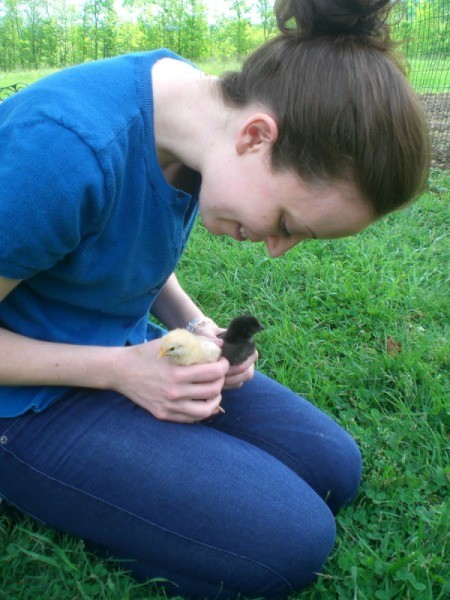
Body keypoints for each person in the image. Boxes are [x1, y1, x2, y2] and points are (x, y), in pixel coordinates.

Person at [0, 0, 429, 597]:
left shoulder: (192, 121)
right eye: (286, 221)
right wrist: (122, 371)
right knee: (290, 542)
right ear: (257, 136)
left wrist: (198, 326)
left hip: (116, 345)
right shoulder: (65, 150)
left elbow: (121, 248)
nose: (278, 249)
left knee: (333, 466)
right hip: (21, 404)